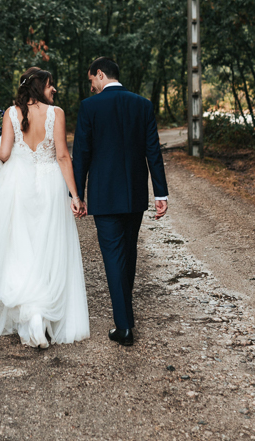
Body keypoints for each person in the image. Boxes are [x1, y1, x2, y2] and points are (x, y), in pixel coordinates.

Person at [0, 67, 89, 348]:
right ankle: (42, 315)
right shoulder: (57, 114)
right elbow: (64, 157)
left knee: (20, 248)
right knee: (48, 248)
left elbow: (4, 154)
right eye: (50, 84)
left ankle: (31, 313)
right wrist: (75, 196)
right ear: (39, 86)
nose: (54, 89)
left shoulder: (10, 113)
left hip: (17, 184)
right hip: (51, 183)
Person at [73, 57, 168, 346]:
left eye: (91, 81)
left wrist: (76, 194)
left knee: (114, 256)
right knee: (128, 252)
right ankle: (125, 314)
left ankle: (124, 326)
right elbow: (153, 152)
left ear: (100, 74)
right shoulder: (143, 104)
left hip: (104, 196)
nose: (91, 86)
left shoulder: (90, 107)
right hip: (135, 194)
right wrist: (160, 193)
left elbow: (82, 155)